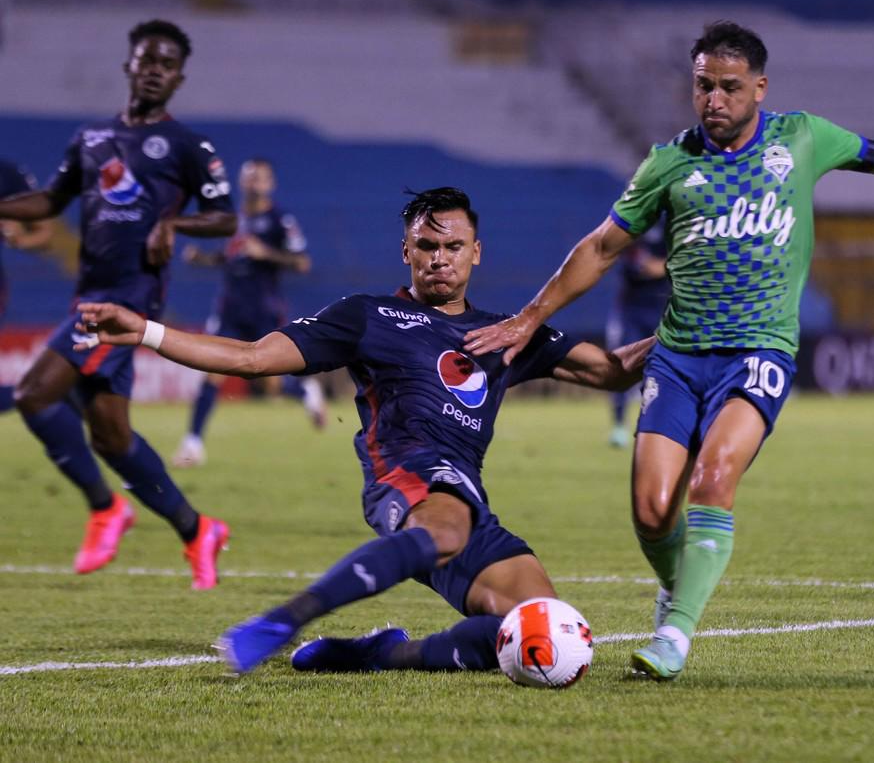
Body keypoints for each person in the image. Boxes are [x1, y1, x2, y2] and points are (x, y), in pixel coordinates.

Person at [463, 20, 874, 680]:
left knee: (713, 481)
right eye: (702, 86)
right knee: (651, 509)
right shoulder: (669, 163)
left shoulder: (800, 137)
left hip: (760, 352)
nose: (713, 99)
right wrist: (529, 317)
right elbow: (603, 247)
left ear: (759, 88)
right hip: (678, 356)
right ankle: (676, 586)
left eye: (728, 87)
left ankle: (675, 637)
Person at [77, 187, 652, 675]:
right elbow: (251, 357)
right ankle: (283, 619)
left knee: (537, 628)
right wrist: (147, 331)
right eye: (426, 246)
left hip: (465, 498)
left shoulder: (506, 333)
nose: (439, 259)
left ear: (476, 253)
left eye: (453, 247)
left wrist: (695, 327)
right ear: (406, 251)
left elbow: (611, 371)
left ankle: (383, 654)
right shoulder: (369, 316)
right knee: (450, 526)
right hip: (404, 476)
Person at [0, 20, 237, 589]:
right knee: (110, 436)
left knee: (34, 394)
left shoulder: (187, 146)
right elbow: (51, 201)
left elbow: (225, 216)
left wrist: (174, 221)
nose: (154, 69)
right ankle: (196, 528)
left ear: (178, 78)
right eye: (146, 58)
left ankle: (106, 508)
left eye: (167, 63)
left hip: (127, 300)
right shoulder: (91, 140)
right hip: (90, 293)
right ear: (129, 65)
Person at [173, 158, 325, 468]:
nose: (255, 182)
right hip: (230, 308)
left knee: (270, 385)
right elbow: (230, 258)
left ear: (270, 184)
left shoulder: (280, 220)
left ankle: (305, 391)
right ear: (242, 182)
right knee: (212, 370)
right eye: (250, 177)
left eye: (261, 178)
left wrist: (265, 253)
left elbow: (302, 262)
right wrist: (202, 259)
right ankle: (193, 443)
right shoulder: (232, 220)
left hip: (263, 309)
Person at [0, 159, 54, 413]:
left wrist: (15, 238)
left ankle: (49, 394)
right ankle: (51, 394)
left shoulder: (6, 174)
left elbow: (44, 231)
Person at [606, 232, 668, 448]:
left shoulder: (672, 228)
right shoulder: (633, 230)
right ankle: (619, 425)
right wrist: (670, 265)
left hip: (662, 312)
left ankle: (654, 426)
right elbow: (645, 265)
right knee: (622, 367)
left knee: (661, 370)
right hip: (632, 312)